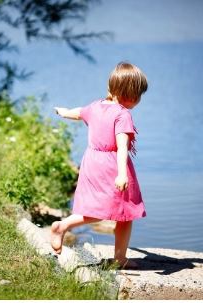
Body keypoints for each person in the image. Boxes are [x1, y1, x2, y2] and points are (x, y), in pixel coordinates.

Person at [51, 61, 148, 269]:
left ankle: (64, 225)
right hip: (112, 166)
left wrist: (64, 112)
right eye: (138, 95)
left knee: (98, 206)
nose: (139, 100)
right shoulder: (123, 115)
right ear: (129, 94)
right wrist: (122, 174)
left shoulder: (96, 106)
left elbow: (79, 112)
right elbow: (122, 147)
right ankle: (65, 226)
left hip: (91, 162)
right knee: (124, 212)